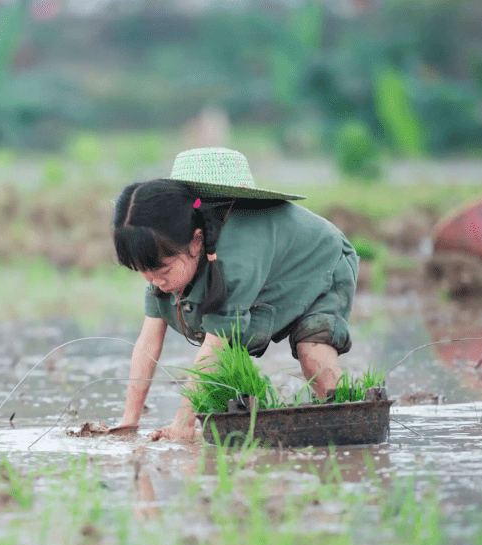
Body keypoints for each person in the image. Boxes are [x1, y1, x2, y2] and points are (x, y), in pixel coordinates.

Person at [110, 147, 359, 441]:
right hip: (263, 267)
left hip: (320, 264)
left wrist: (183, 424)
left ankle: (349, 426)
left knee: (312, 351)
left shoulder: (236, 258)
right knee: (229, 360)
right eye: (144, 271)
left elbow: (214, 346)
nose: (154, 282)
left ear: (196, 242)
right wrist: (129, 420)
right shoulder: (172, 243)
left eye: (163, 273)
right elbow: (148, 342)